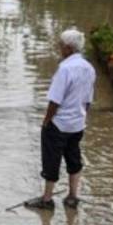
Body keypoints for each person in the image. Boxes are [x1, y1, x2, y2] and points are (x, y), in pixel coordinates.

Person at [25, 28, 96, 211]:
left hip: (59, 123)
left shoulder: (64, 69)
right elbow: (88, 100)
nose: (58, 48)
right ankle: (73, 196)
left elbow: (55, 101)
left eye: (60, 45)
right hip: (77, 124)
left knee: (51, 159)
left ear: (68, 48)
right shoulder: (89, 68)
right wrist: (81, 116)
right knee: (74, 158)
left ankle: (47, 199)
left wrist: (46, 121)